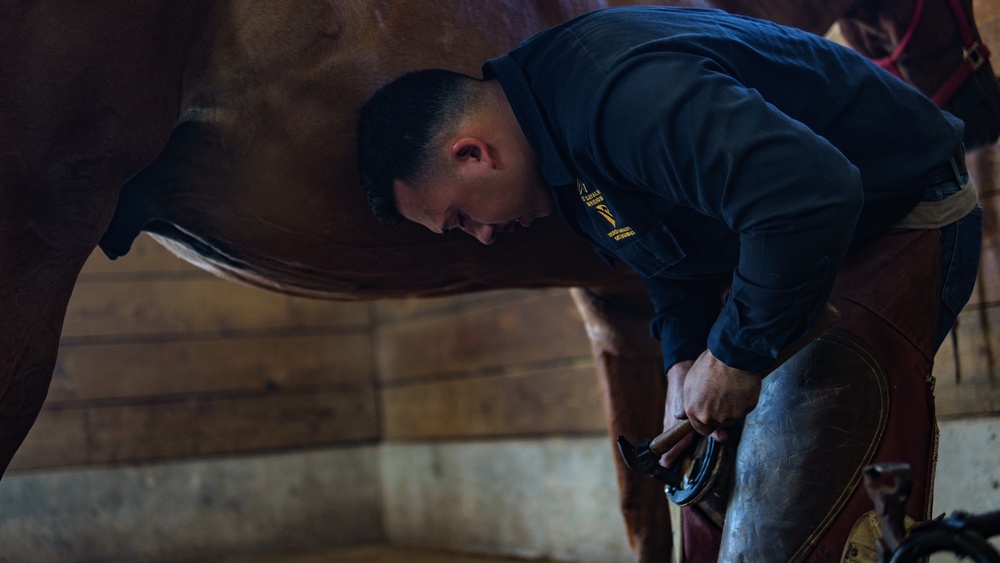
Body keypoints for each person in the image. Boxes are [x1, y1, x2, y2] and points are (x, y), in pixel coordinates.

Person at [356, 6, 982, 562]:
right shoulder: (551, 146)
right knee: (711, 502)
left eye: (460, 218)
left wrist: (735, 354)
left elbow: (811, 195)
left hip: (897, 220)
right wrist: (683, 359)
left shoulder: (615, 95)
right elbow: (665, 258)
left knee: (799, 521)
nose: (482, 236)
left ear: (473, 154)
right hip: (800, 242)